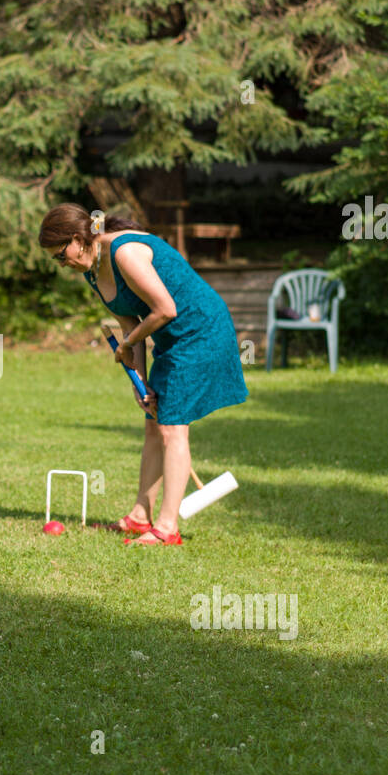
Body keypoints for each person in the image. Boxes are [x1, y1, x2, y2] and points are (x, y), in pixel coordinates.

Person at [39, 203, 248, 545]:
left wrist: (128, 344)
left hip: (200, 332)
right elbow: (129, 324)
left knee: (171, 427)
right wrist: (141, 383)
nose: (62, 265)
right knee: (154, 422)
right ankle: (140, 517)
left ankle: (166, 529)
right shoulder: (93, 271)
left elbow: (165, 308)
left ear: (78, 239)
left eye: (61, 255)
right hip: (171, 338)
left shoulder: (125, 252)